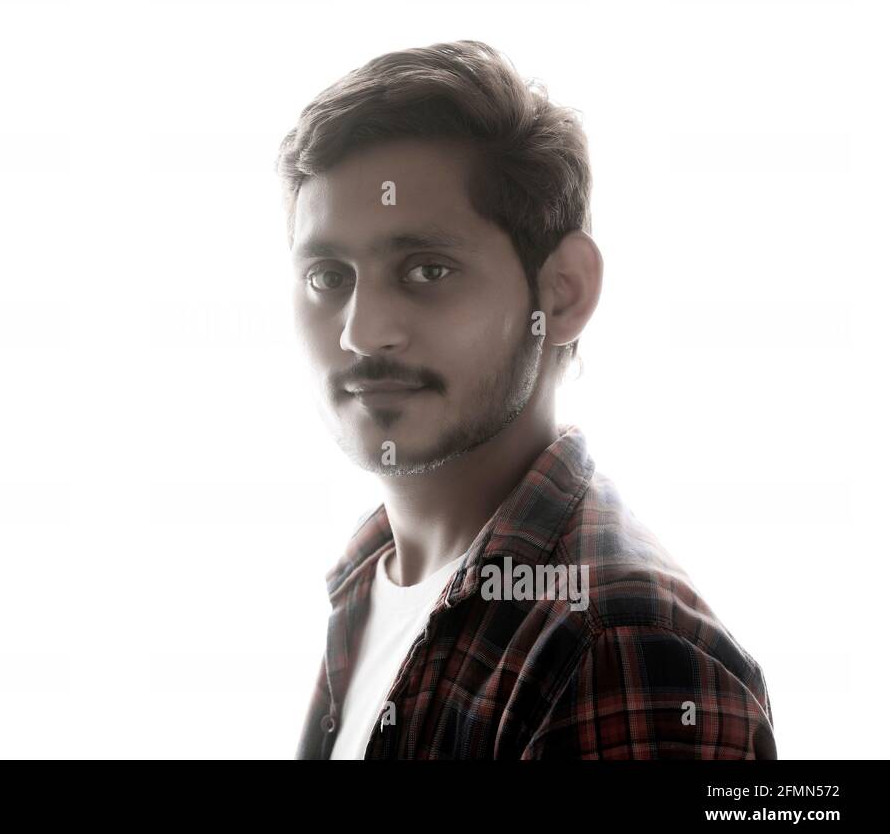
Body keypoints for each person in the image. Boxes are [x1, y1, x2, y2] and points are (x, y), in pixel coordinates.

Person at [276, 41, 775, 759]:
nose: (363, 332)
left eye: (426, 269)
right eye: (328, 277)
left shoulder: (615, 646)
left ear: (562, 291)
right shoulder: (369, 579)